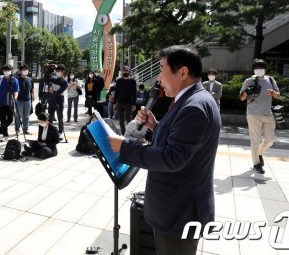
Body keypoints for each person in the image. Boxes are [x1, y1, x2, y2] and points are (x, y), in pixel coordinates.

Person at [108, 45, 221, 255]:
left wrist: (125, 147)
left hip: (178, 213)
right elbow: (182, 143)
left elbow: (173, 158)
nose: (158, 77)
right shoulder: (194, 100)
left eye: (161, 69)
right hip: (178, 207)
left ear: (183, 72)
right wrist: (155, 126)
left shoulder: (194, 107)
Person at [239, 59, 280, 174]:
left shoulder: (270, 80)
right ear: (253, 69)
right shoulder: (249, 80)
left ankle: (259, 153)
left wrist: (273, 93)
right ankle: (256, 163)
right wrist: (248, 90)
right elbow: (241, 98)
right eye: (256, 68)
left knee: (270, 140)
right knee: (255, 140)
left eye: (261, 67)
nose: (259, 70)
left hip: (268, 114)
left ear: (265, 69)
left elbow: (278, 95)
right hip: (253, 114)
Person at [39, 64, 68, 139]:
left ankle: (60, 132)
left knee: (60, 117)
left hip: (59, 101)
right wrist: (46, 69)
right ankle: (50, 132)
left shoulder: (64, 82)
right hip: (51, 100)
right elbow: (46, 79)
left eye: (59, 71)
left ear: (63, 71)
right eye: (57, 71)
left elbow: (59, 92)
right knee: (50, 117)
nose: (57, 72)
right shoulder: (54, 78)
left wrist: (53, 92)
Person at [0, 64, 19, 142]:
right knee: (2, 120)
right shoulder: (0, 78)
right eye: (5, 70)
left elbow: (16, 90)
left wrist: (15, 97)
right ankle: (5, 135)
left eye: (8, 70)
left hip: (10, 103)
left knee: (10, 119)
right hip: (1, 102)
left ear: (11, 71)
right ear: (3, 71)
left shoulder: (14, 80)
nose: (6, 72)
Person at [113, 66, 137, 135]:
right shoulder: (119, 81)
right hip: (119, 102)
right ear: (122, 72)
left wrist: (134, 104)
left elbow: (134, 93)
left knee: (128, 120)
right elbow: (116, 92)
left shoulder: (133, 81)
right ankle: (123, 134)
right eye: (124, 71)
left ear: (129, 72)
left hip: (128, 103)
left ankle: (129, 133)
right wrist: (114, 103)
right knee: (121, 120)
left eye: (126, 71)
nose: (125, 72)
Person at [15, 63, 34, 135]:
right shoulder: (17, 80)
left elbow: (32, 88)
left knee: (26, 116)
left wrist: (33, 96)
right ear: (20, 71)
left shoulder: (30, 79)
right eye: (23, 70)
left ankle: (25, 129)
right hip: (19, 100)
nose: (25, 71)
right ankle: (17, 129)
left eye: (26, 69)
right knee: (18, 116)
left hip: (28, 100)